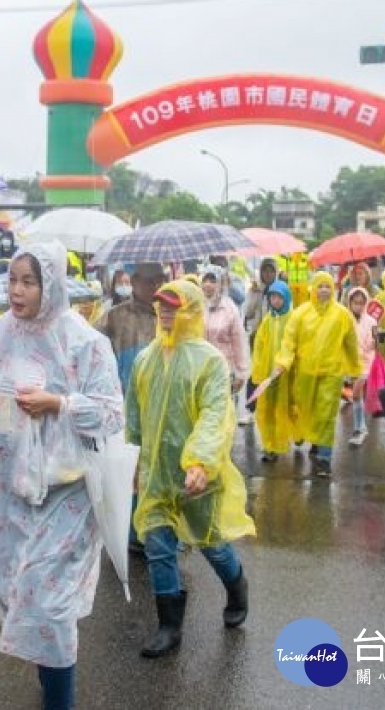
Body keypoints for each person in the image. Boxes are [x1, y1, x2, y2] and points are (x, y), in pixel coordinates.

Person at [0, 241, 123, 710]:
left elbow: (112, 413)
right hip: (7, 488)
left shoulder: (84, 341)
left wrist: (59, 404)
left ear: (51, 284)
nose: (17, 290)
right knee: (15, 591)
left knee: (48, 607)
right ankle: (51, 677)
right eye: (12, 279)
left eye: (29, 281)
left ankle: (59, 700)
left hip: (66, 494)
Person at [126, 280, 254, 658]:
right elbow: (134, 414)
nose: (166, 313)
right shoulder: (144, 360)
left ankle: (236, 587)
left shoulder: (210, 361)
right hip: (155, 473)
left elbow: (216, 414)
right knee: (158, 546)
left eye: (175, 307)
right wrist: (133, 458)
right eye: (162, 306)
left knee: (211, 543)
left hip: (197, 476)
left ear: (193, 311)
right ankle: (169, 626)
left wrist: (199, 460)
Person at [273, 272, 362, 478]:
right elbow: (289, 341)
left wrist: (356, 370)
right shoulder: (300, 314)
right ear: (313, 288)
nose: (324, 290)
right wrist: (283, 362)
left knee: (325, 414)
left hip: (331, 373)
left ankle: (324, 458)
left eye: (327, 286)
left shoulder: (342, 315)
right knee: (306, 409)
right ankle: (311, 438)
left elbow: (351, 344)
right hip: (305, 372)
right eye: (320, 286)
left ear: (333, 289)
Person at [94, 262, 166, 391]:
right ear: (134, 281)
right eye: (149, 281)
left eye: (160, 281)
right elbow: (95, 350)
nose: (156, 287)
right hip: (125, 393)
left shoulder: (170, 314)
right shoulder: (114, 316)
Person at [250, 282, 298, 463]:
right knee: (268, 409)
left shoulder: (293, 319)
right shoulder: (267, 321)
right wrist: (258, 371)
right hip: (269, 375)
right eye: (272, 297)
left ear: (286, 298)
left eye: (279, 297)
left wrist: (289, 365)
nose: (275, 301)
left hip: (287, 374)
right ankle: (271, 446)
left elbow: (295, 345)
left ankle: (296, 432)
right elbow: (259, 347)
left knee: (290, 407)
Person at [199, 266, 250, 421]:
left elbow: (238, 343)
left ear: (220, 284)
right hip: (201, 371)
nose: (208, 284)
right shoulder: (197, 307)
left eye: (212, 280)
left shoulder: (229, 309)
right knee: (204, 415)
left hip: (224, 371)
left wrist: (241, 373)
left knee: (222, 416)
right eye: (205, 280)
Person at [345, 287, 378, 446]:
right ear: (350, 303)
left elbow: (373, 344)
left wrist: (374, 342)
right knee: (356, 396)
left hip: (366, 362)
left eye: (361, 303)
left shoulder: (372, 321)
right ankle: (360, 427)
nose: (358, 306)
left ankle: (360, 429)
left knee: (357, 393)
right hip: (350, 362)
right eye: (355, 302)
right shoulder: (345, 319)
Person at [242, 258, 279, 340]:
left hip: (274, 334)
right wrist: (253, 295)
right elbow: (248, 313)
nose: (268, 274)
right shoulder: (256, 290)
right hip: (256, 333)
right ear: (261, 272)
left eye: (271, 271)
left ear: (276, 273)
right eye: (265, 271)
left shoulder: (280, 291)